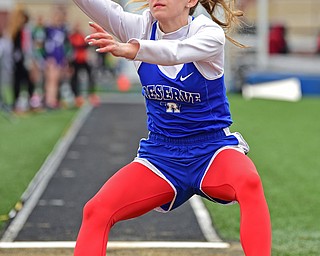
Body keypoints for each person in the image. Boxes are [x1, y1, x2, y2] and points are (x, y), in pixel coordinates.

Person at [72, 0, 272, 256]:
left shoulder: (208, 33)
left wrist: (134, 49)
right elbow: (96, 6)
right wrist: (135, 46)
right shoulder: (141, 28)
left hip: (211, 151)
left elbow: (178, 51)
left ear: (191, 2)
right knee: (96, 210)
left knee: (249, 182)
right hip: (161, 155)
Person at [9, 7, 36, 113]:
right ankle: (16, 103)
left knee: (30, 81)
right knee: (17, 82)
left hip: (27, 58)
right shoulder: (15, 30)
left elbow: (29, 45)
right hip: (18, 60)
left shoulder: (28, 29)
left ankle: (30, 102)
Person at [69, 22, 100, 107]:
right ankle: (77, 96)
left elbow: (86, 44)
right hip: (75, 60)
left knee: (90, 77)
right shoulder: (72, 37)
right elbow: (74, 46)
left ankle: (91, 95)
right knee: (75, 79)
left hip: (84, 59)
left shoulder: (82, 36)